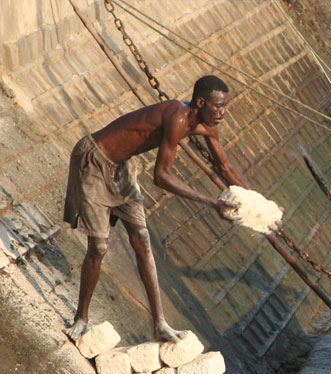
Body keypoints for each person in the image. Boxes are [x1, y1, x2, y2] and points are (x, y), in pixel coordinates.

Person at [63, 75, 249, 342]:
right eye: (218, 106)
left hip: (122, 167)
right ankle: (81, 319)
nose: (223, 112)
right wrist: (212, 202)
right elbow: (161, 176)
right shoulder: (177, 116)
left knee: (142, 241)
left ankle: (160, 324)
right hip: (94, 159)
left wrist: (258, 204)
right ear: (200, 102)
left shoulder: (208, 126)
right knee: (99, 246)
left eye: (225, 106)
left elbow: (226, 168)